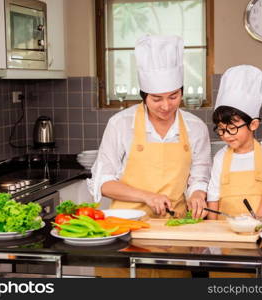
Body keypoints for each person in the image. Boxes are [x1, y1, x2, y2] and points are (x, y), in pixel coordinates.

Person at [87, 35, 212, 277]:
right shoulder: (121, 123)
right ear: (143, 95)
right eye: (157, 99)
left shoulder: (196, 127)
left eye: (174, 96)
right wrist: (147, 196)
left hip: (174, 233)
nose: (166, 105)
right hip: (126, 232)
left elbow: (200, 173)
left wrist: (198, 193)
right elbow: (103, 183)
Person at [206, 65, 262, 220]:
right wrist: (211, 230)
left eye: (232, 128)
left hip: (255, 227)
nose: (226, 135)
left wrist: (257, 220)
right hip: (223, 232)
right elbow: (213, 195)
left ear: (253, 124)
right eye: (221, 129)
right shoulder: (221, 156)